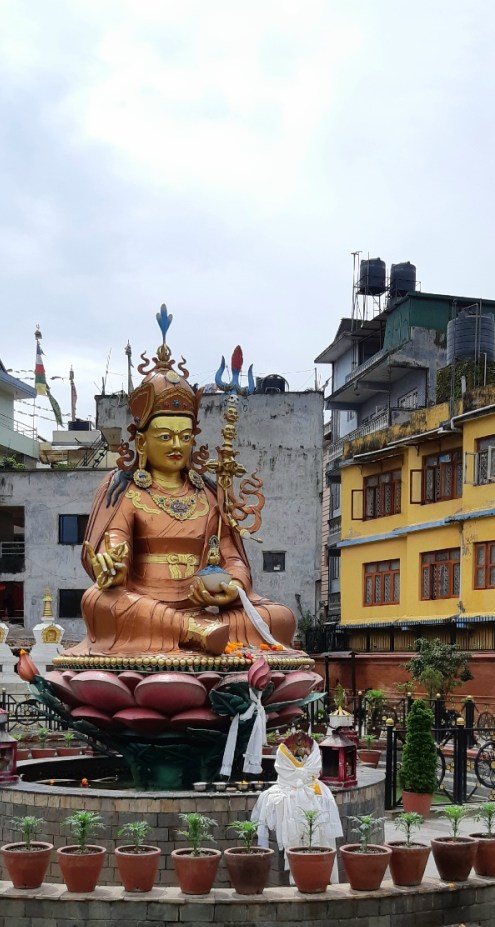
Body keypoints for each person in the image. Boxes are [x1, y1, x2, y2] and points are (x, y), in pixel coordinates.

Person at [65, 320, 296, 659]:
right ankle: (191, 633)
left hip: (204, 605)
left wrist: (232, 585)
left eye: (184, 437)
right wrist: (112, 564)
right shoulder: (126, 490)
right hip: (143, 602)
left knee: (279, 618)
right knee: (99, 600)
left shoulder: (208, 492)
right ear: (141, 441)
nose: (176, 445)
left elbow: (233, 558)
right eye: (165, 436)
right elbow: (115, 542)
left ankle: (195, 632)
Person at [251, 731, 343, 883]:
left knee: (317, 831)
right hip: (292, 787)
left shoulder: (311, 752)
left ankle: (318, 872)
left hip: (306, 787)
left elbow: (307, 770)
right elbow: (287, 771)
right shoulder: (285, 752)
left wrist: (301, 778)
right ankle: (303, 872)